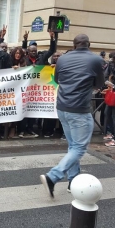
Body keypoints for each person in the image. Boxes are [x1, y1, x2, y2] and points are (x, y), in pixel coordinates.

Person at [40, 34, 104, 198]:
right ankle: (52, 177)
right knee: (79, 147)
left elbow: (58, 79)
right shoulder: (95, 60)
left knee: (73, 146)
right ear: (89, 44)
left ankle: (73, 181)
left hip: (62, 107)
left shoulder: (63, 58)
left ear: (74, 45)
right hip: (80, 109)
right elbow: (99, 84)